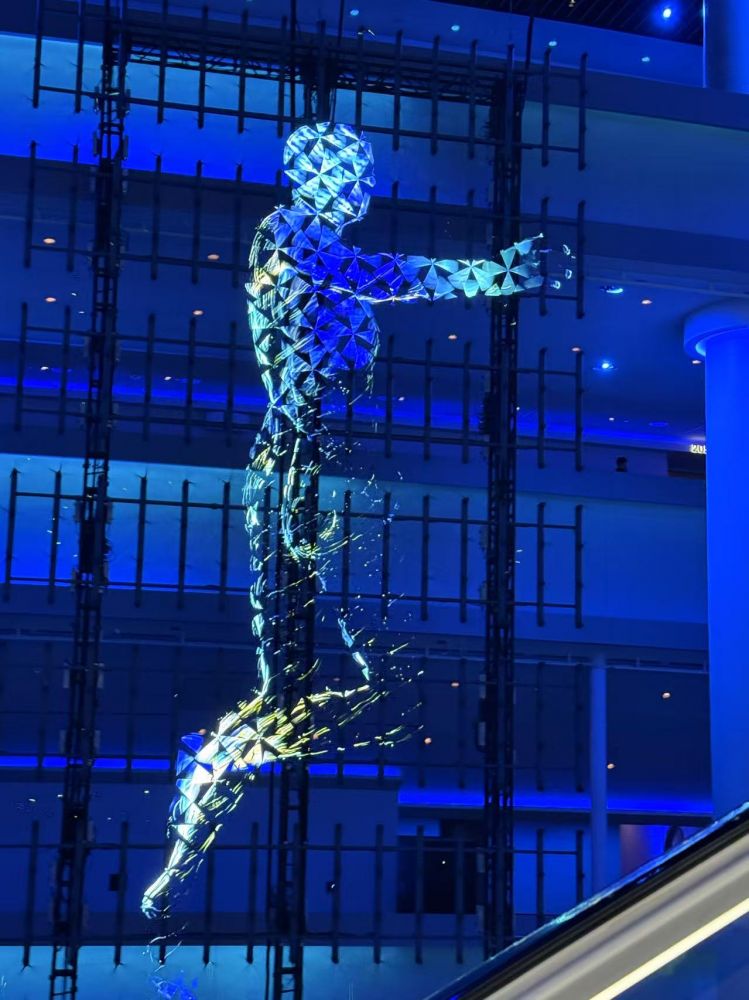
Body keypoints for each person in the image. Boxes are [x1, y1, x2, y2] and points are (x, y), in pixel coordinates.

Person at [142, 121, 565, 917]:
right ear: (311, 177)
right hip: (316, 463)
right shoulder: (288, 232)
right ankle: (220, 764)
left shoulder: (299, 255)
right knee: (389, 688)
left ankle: (199, 807)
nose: (362, 188)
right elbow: (379, 274)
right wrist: (493, 274)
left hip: (290, 465)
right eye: (349, 171)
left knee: (294, 690)